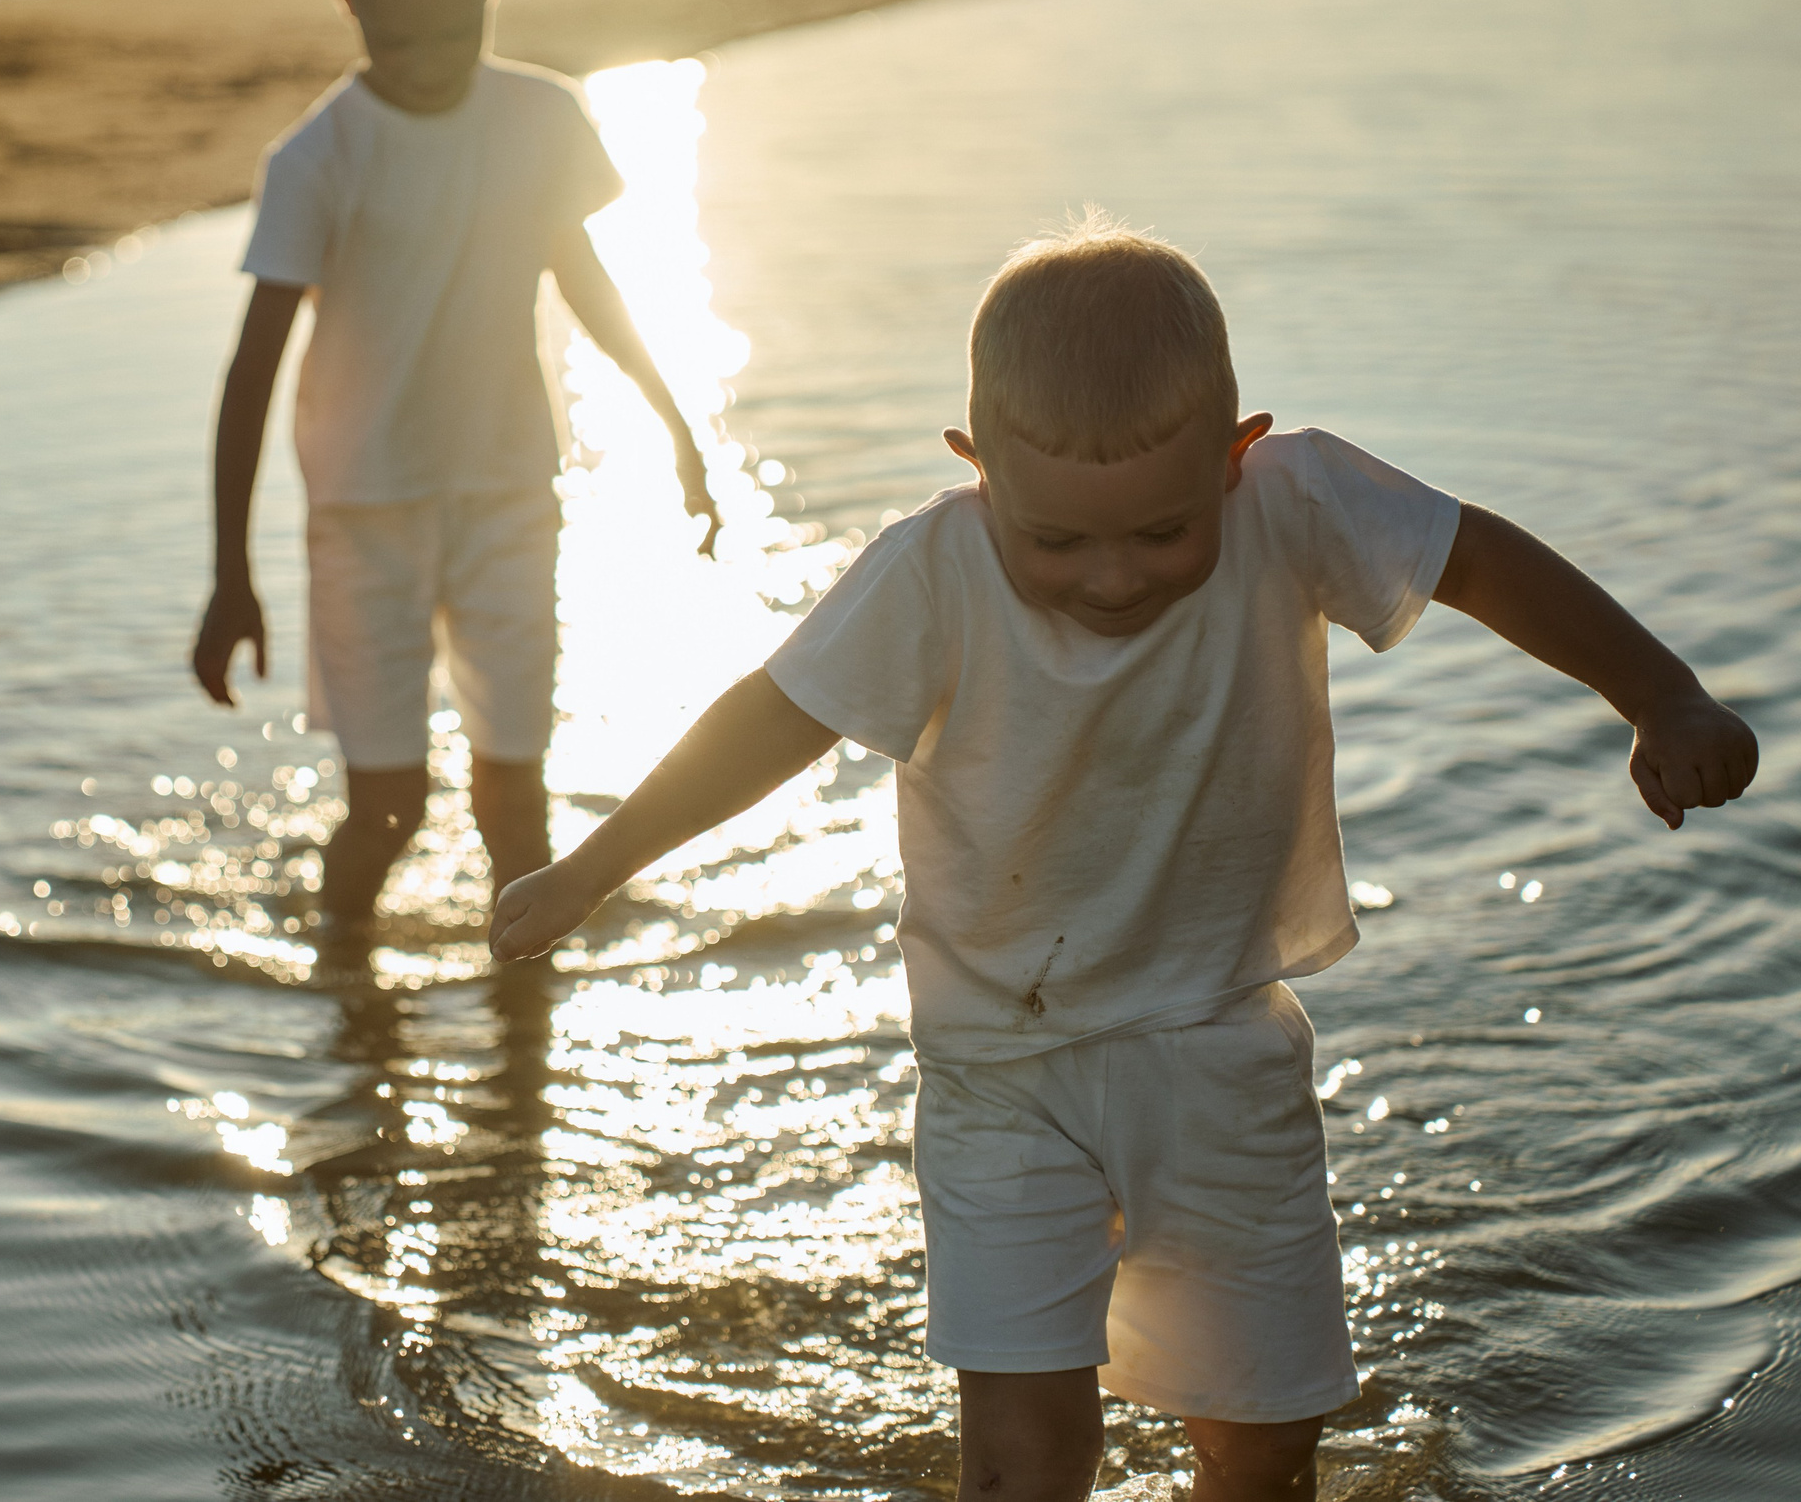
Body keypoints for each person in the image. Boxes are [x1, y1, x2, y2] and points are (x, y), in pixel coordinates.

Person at [488, 215, 1757, 1501]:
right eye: (1057, 540)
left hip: (1218, 1043)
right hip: (999, 1069)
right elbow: (777, 715)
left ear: (1234, 457)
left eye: (1159, 535)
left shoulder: (1297, 502)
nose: (1110, 579)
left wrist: (1660, 695)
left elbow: (1472, 554)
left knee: (1262, 1443)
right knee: (1024, 1460)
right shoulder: (931, 571)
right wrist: (595, 865)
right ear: (974, 465)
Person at [191, 0, 719, 930]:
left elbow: (588, 283)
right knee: (387, 808)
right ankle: (346, 1021)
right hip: (365, 518)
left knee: (515, 809)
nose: (429, 60)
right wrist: (229, 575)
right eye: (397, 31)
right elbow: (250, 375)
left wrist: (676, 426)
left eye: (453, 26)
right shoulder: (318, 159)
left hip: (507, 501)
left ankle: (519, 1060)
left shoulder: (541, 119)